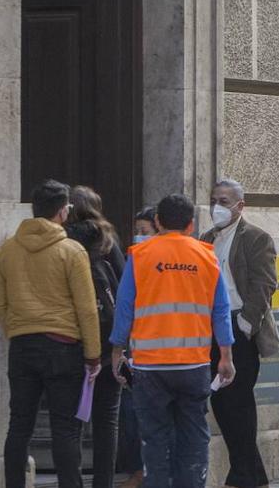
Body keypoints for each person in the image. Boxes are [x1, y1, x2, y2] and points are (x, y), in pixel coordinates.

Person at [110, 194, 235, 488]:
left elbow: (124, 307)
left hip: (150, 368)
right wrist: (226, 355)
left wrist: (117, 351)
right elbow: (221, 309)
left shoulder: (139, 256)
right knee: (194, 436)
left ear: (157, 221)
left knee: (154, 438)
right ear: (191, 225)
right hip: (193, 365)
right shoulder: (207, 256)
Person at [0, 179, 102, 488]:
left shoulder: (7, 249)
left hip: (23, 345)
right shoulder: (72, 250)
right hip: (63, 347)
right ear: (62, 212)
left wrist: (17, 329)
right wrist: (93, 354)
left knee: (19, 426)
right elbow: (87, 309)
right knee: (66, 429)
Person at [200, 179, 279, 488]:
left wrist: (247, 324)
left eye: (224, 200)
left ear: (239, 205)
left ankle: (244, 476)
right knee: (221, 403)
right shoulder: (206, 238)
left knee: (238, 402)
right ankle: (250, 476)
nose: (217, 206)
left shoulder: (256, 238)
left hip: (240, 326)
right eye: (214, 199)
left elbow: (265, 283)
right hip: (212, 327)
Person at [64, 185, 127, 488]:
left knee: (71, 419)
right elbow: (125, 285)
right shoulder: (107, 238)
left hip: (71, 338)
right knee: (107, 420)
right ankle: (104, 483)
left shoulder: (62, 239)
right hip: (108, 340)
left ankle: (72, 481)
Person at [118, 206, 156, 488]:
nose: (139, 237)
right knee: (131, 413)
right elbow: (125, 306)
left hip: (161, 354)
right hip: (137, 349)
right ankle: (138, 469)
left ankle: (148, 471)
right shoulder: (134, 260)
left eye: (145, 232)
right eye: (137, 231)